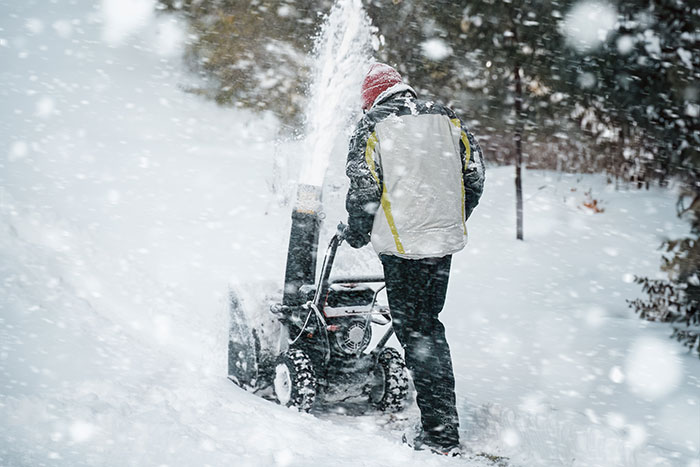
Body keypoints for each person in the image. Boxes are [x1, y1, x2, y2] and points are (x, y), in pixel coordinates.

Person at [344, 63, 485, 455]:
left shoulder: (372, 125)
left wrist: (356, 232)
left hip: (402, 248)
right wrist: (450, 218)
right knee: (429, 326)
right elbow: (475, 175)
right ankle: (442, 424)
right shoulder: (445, 117)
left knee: (417, 332)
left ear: (371, 97)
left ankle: (440, 435)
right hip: (441, 246)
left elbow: (363, 189)